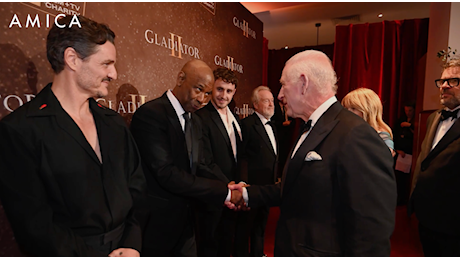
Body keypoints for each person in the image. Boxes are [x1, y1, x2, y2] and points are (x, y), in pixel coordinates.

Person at [0, 15, 146, 257]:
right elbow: (34, 225)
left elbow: (137, 189)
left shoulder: (113, 123)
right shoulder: (20, 130)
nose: (114, 74)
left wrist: (131, 244)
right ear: (72, 59)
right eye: (106, 64)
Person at [229, 50, 396, 257]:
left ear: (303, 83)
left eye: (283, 84)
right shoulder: (309, 127)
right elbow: (293, 188)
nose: (280, 95)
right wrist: (245, 193)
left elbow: (372, 229)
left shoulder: (356, 134)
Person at [129, 59, 242, 257]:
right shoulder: (151, 114)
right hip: (157, 224)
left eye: (208, 93)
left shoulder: (195, 120)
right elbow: (166, 173)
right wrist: (222, 192)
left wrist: (228, 185)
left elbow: (200, 165)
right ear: (181, 78)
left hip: (189, 222)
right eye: (198, 90)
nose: (203, 100)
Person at [408, 58, 460, 257]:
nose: (445, 85)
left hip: (454, 224)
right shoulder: (434, 117)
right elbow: (425, 160)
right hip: (426, 219)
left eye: (453, 81)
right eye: (442, 81)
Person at [193, 67, 243, 257]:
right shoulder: (201, 117)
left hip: (233, 194)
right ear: (211, 88)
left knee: (226, 243)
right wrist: (228, 185)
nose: (224, 95)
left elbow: (239, 156)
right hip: (213, 193)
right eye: (220, 89)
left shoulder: (235, 118)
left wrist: (239, 185)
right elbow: (203, 160)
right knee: (209, 245)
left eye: (229, 91)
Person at [237, 86, 279, 257]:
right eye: (266, 100)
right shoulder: (247, 125)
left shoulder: (274, 126)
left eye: (272, 100)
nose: (271, 104)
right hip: (251, 187)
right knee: (245, 227)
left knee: (261, 225)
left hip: (268, 186)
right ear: (255, 104)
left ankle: (258, 253)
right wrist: (245, 183)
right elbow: (242, 157)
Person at [341, 87, 396, 157]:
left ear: (368, 110)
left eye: (353, 108)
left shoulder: (382, 135)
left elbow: (386, 157)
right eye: (345, 108)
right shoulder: (347, 131)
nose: (347, 112)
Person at [393, 100, 415, 205]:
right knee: (399, 179)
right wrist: (397, 149)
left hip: (411, 155)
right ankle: (399, 199)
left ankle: (407, 199)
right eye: (406, 110)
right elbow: (395, 136)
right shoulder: (400, 120)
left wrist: (410, 126)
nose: (408, 113)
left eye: (410, 110)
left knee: (408, 180)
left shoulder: (416, 122)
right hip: (400, 155)